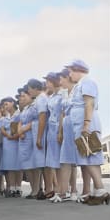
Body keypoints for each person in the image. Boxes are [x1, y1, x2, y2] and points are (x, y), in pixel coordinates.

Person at [66, 59, 110, 205]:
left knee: (90, 156)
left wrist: (86, 124)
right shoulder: (80, 85)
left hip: (87, 124)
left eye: (71, 71)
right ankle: (98, 190)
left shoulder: (87, 82)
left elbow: (89, 103)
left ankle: (101, 191)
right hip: (81, 124)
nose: (69, 74)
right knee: (88, 157)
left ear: (78, 70)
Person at [52, 68, 78, 202]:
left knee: (73, 161)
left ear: (67, 77)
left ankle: (74, 190)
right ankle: (64, 191)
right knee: (66, 159)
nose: (59, 81)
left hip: (75, 126)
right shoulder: (63, 93)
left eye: (61, 78)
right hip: (66, 127)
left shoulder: (77, 89)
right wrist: (60, 131)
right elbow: (62, 113)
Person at [27, 78, 48, 200]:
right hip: (36, 131)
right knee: (38, 163)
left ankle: (41, 189)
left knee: (41, 163)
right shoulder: (39, 99)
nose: (29, 91)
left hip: (41, 132)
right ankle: (37, 189)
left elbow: (42, 118)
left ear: (35, 88)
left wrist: (39, 137)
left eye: (29, 89)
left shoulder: (41, 99)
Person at [43, 72, 63, 201]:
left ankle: (63, 189)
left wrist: (60, 131)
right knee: (54, 161)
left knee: (61, 161)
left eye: (48, 81)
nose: (46, 84)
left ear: (54, 81)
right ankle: (59, 190)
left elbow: (63, 113)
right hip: (51, 129)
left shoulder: (62, 94)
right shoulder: (52, 96)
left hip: (58, 128)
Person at [0, 97, 22, 197]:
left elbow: (20, 127)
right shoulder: (6, 117)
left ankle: (18, 187)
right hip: (8, 142)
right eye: (4, 105)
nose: (5, 106)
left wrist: (14, 136)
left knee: (18, 165)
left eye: (6, 104)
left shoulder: (19, 114)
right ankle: (12, 187)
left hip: (16, 142)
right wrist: (7, 135)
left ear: (13, 103)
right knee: (10, 165)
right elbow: (2, 128)